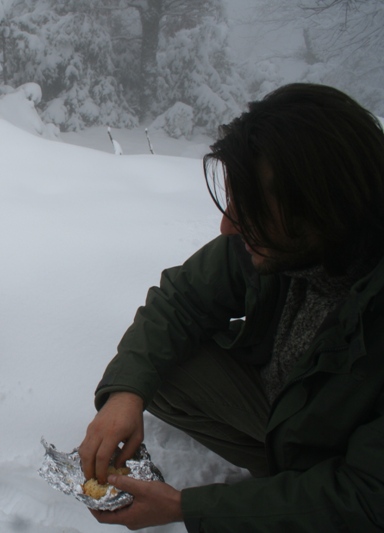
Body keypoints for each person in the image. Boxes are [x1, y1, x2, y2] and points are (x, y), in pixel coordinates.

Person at [78, 83, 384, 531]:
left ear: (323, 205)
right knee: (158, 369)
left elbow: (369, 497)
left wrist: (189, 509)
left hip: (351, 469)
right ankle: (287, 489)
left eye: (252, 209)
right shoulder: (281, 241)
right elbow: (180, 301)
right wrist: (125, 395)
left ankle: (293, 499)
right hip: (290, 420)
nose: (226, 227)